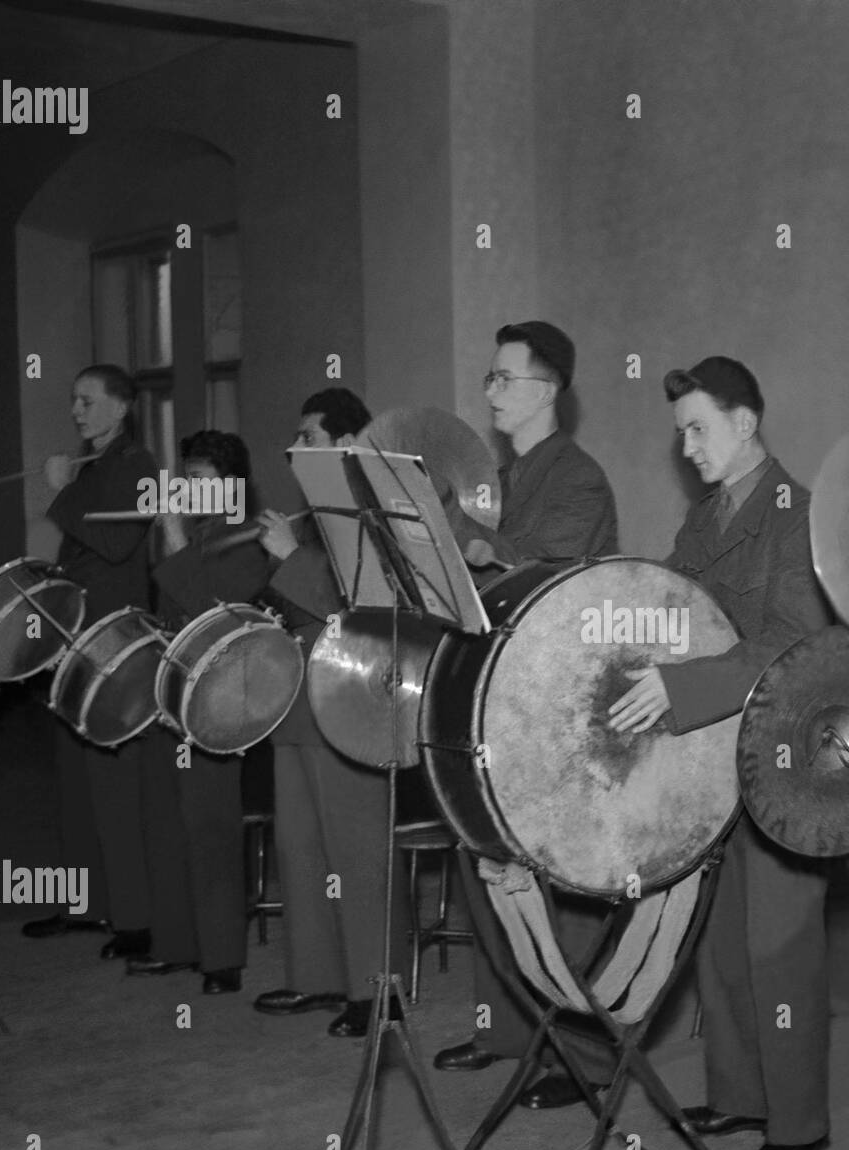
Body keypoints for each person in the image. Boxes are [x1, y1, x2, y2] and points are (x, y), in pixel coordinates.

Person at [609, 355, 834, 1150]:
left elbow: (787, 642)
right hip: (711, 752)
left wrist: (679, 687)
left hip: (783, 758)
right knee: (722, 939)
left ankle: (799, 1119)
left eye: (700, 429)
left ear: (747, 425)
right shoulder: (704, 521)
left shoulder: (798, 516)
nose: (689, 448)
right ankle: (740, 1092)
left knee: (779, 945)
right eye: (681, 434)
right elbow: (675, 612)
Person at [434, 321, 621, 1109]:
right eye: (490, 377)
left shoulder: (576, 478)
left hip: (555, 700)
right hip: (493, 690)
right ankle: (508, 1030)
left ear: (546, 391)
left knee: (555, 880)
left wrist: (472, 540)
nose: (491, 392)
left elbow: (547, 572)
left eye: (505, 379)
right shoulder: (500, 474)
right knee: (493, 863)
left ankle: (583, 1057)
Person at [251, 388, 406, 1036]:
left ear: (348, 441)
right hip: (298, 701)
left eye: (309, 435)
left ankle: (379, 990)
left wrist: (289, 558)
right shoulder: (315, 509)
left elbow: (371, 599)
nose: (298, 447)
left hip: (352, 695)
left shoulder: (375, 505)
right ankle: (315, 976)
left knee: (357, 849)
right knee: (301, 843)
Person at [127, 431, 269, 995]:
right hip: (171, 692)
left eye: (201, 480)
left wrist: (172, 532)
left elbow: (212, 609)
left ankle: (222, 957)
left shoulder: (249, 538)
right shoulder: (195, 532)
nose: (187, 489)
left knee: (209, 826)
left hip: (220, 697)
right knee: (166, 820)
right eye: (185, 478)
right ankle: (178, 942)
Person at [23, 366, 157, 956]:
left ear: (120, 407)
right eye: (73, 401)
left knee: (113, 783)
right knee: (75, 782)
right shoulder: (92, 468)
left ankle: (132, 918)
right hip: (73, 634)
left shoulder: (139, 466)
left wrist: (60, 492)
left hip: (114, 642)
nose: (76, 411)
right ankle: (84, 904)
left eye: (87, 401)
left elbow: (116, 542)